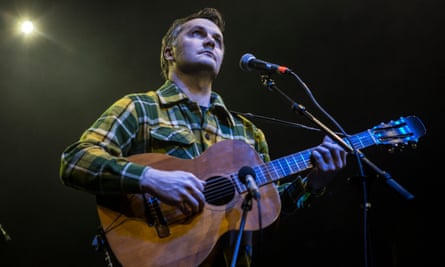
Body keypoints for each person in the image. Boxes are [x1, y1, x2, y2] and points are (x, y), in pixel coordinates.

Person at [59, 7, 347, 267]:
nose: (211, 41)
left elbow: (268, 209)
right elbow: (75, 161)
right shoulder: (140, 107)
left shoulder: (248, 132)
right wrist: (150, 178)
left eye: (217, 40)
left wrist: (314, 182)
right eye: (198, 34)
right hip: (157, 255)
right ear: (170, 53)